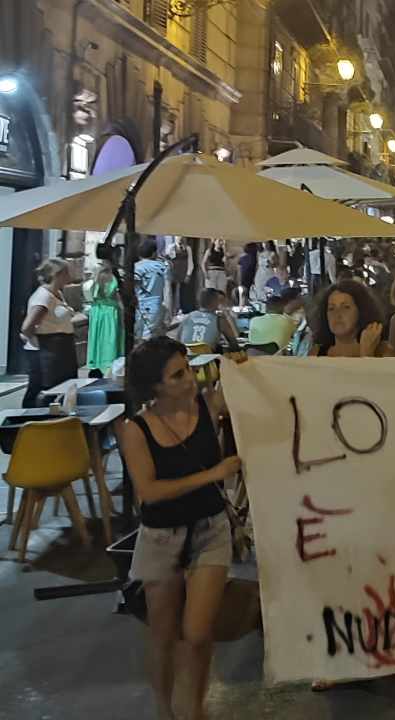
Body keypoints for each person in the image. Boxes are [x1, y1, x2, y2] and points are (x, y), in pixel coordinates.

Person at [119, 337, 241, 720]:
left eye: (187, 368)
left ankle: (195, 708)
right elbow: (149, 492)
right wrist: (212, 475)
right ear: (154, 386)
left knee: (199, 632)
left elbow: (249, 393)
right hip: (161, 535)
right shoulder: (136, 429)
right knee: (163, 635)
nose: (189, 379)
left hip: (210, 529)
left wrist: (242, 368)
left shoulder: (207, 404)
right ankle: (164, 709)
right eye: (177, 375)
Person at [20, 258, 79, 408]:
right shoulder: (44, 297)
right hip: (49, 350)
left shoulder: (57, 293)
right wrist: (37, 341)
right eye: (66, 273)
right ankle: (31, 417)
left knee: (61, 388)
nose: (70, 276)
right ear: (57, 274)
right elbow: (27, 327)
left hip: (61, 348)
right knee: (44, 390)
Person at [308, 280, 388, 358]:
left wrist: (367, 353)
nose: (337, 314)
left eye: (346, 307)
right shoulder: (315, 354)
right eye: (331, 308)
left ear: (361, 311)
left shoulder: (383, 352)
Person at [86, 260, 124, 378]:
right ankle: (109, 364)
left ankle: (96, 363)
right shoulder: (113, 278)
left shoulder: (94, 279)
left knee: (97, 339)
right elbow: (117, 298)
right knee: (110, 338)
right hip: (110, 312)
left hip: (97, 312)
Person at [136, 238, 171, 340]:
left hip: (137, 306)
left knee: (138, 336)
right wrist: (169, 309)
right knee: (151, 338)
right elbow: (167, 290)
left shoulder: (135, 267)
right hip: (155, 305)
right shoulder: (163, 267)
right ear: (154, 252)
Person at [166, 238, 193, 314]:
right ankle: (173, 310)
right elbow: (167, 259)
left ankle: (182, 310)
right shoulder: (171, 247)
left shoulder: (187, 248)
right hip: (174, 273)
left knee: (183, 292)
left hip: (183, 272)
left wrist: (189, 274)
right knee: (172, 292)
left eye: (181, 238)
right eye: (178, 237)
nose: (180, 239)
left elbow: (190, 262)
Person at [236, 242, 258, 307]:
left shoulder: (242, 258)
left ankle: (242, 306)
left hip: (243, 277)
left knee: (243, 293)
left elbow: (239, 270)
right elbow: (256, 268)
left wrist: (238, 280)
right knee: (250, 293)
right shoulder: (255, 258)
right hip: (251, 277)